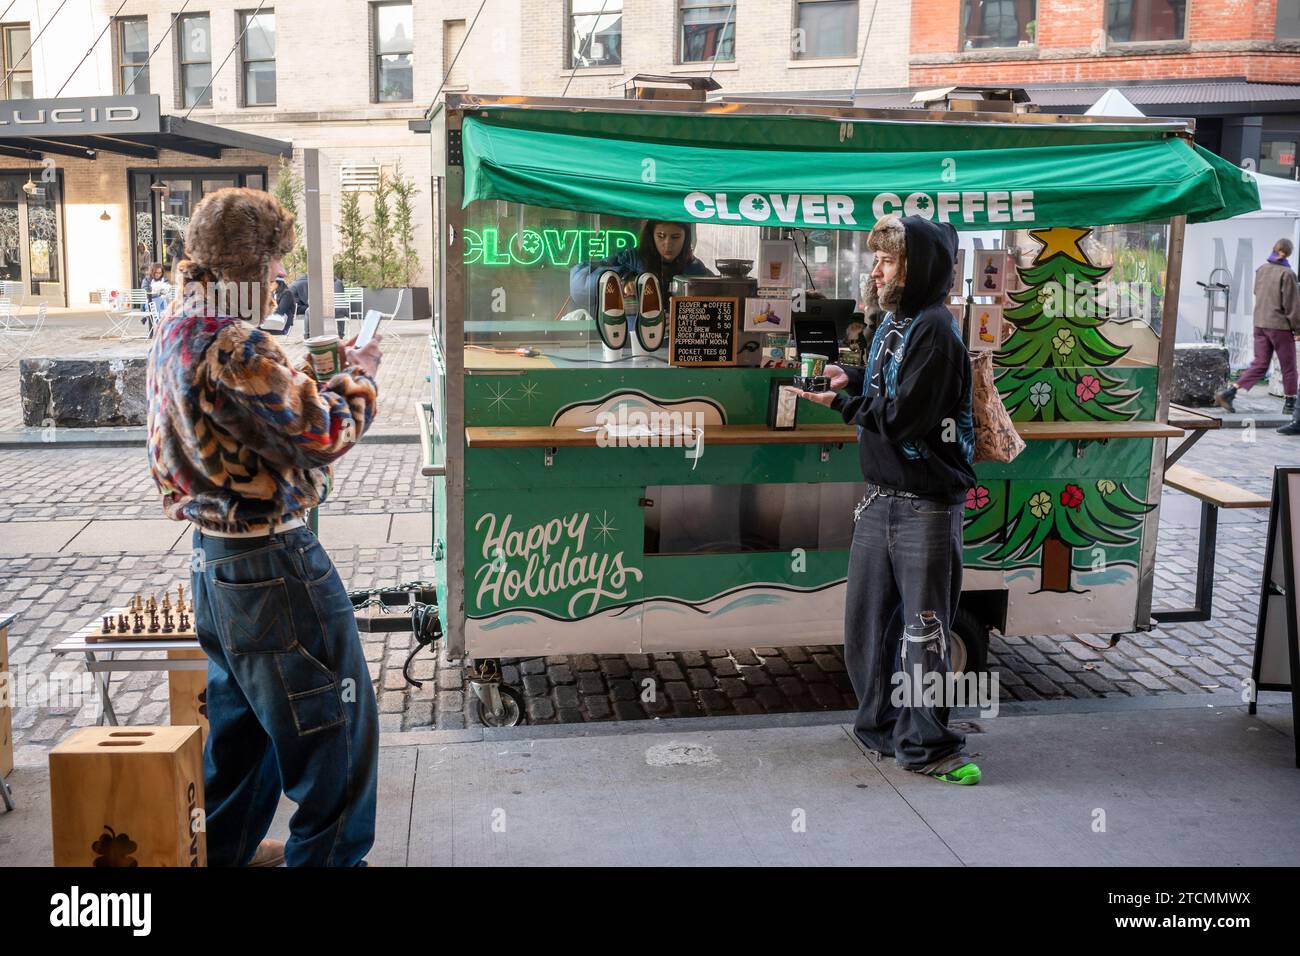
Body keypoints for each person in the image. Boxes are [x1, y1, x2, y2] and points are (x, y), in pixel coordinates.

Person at [146, 187, 382, 866]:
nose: (281, 276)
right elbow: (319, 434)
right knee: (334, 748)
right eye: (275, 263)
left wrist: (303, 375)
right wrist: (358, 380)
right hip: (272, 566)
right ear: (251, 266)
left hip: (214, 568)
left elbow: (253, 413)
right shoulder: (233, 340)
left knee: (242, 748)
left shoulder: (179, 321)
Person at [792, 214, 981, 786]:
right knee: (866, 628)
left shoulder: (936, 331)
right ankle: (881, 728)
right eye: (876, 258)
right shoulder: (895, 323)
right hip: (881, 499)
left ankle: (931, 748)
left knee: (923, 634)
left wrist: (841, 407)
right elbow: (887, 389)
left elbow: (903, 418)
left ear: (917, 267)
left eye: (889, 259)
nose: (875, 268)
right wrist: (849, 377)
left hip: (926, 505)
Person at [1214, 238, 1300, 435]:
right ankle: (1290, 403)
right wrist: (1298, 329)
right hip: (1279, 325)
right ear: (1288, 253)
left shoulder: (1261, 269)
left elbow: (1255, 292)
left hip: (1259, 323)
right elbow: (1292, 306)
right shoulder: (1287, 274)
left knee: (1260, 363)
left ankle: (1230, 392)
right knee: (1289, 366)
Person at [569, 219, 712, 314]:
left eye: (675, 237)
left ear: (686, 238)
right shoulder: (631, 259)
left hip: (678, 348)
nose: (668, 244)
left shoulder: (696, 269)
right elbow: (579, 287)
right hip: (632, 345)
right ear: (651, 236)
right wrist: (621, 281)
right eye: (661, 236)